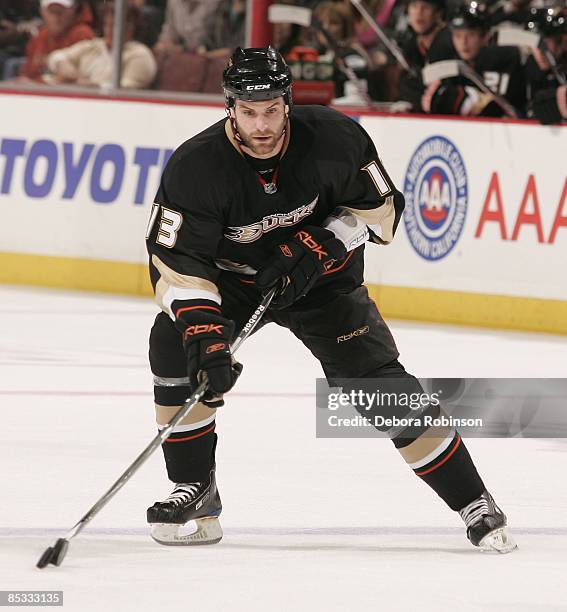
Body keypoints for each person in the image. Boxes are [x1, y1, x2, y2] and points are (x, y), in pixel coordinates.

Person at [144, 46, 517, 553]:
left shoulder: (335, 138)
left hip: (322, 280)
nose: (261, 125)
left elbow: (381, 210)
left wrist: (328, 242)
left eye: (272, 109)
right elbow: (178, 263)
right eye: (249, 111)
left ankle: (473, 499)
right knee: (174, 344)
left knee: (373, 382)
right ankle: (195, 488)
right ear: (229, 106)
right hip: (230, 282)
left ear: (288, 102)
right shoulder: (196, 166)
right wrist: (207, 334)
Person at [422, 1, 527, 117]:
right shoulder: (446, 63)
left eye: (471, 35)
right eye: (458, 36)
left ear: (485, 36)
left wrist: (467, 101)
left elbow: (507, 110)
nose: (463, 43)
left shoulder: (505, 60)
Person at [45, 3, 157, 89]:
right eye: (106, 24)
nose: (109, 30)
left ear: (131, 28)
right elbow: (55, 57)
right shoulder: (93, 46)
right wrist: (62, 64)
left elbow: (126, 89)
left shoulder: (140, 55)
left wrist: (91, 86)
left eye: (114, 26)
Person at [19, 0, 95, 82]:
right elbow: (26, 75)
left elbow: (81, 79)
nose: (56, 17)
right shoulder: (40, 37)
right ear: (42, 12)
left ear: (73, 10)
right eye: (52, 11)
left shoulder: (83, 35)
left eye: (61, 11)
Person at [397, 0, 453, 111]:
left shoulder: (449, 41)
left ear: (438, 13)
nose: (419, 12)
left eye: (426, 7)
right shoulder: (410, 45)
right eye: (414, 6)